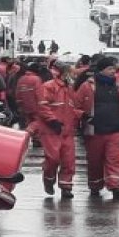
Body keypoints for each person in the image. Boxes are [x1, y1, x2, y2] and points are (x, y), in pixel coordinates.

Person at [75, 58, 119, 199]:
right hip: (94, 130)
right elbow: (75, 106)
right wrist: (83, 116)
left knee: (113, 159)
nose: (113, 71)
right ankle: (95, 185)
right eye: (109, 68)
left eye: (113, 68)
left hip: (115, 129)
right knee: (95, 161)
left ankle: (115, 186)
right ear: (101, 70)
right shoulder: (87, 86)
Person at [38, 62, 80, 198]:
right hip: (52, 130)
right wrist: (52, 120)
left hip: (67, 130)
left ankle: (66, 187)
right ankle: (48, 180)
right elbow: (43, 106)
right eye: (69, 72)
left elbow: (75, 107)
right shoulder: (49, 86)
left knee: (68, 160)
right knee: (53, 159)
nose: (72, 75)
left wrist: (81, 117)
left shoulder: (71, 88)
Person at [14, 63, 45, 132]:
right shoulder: (37, 79)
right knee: (38, 123)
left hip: (24, 107)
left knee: (28, 122)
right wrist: (43, 106)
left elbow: (17, 93)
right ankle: (33, 137)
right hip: (35, 106)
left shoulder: (21, 78)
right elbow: (39, 93)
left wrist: (19, 104)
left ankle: (28, 137)